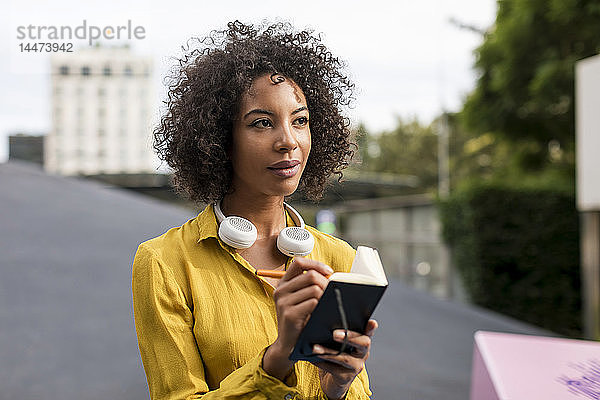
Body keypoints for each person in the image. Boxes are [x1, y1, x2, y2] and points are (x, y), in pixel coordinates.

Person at [132, 20, 378, 400]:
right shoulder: (165, 262)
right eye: (262, 123)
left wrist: (339, 386)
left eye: (300, 121)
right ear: (218, 139)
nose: (288, 141)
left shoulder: (339, 258)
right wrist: (276, 361)